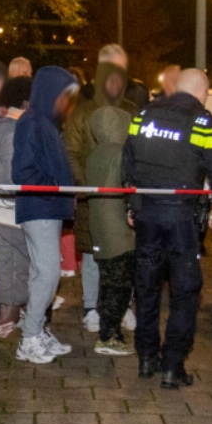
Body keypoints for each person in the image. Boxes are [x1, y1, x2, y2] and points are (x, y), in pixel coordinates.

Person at [122, 68, 212, 389]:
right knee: (185, 293)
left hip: (146, 216)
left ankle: (145, 357)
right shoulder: (201, 122)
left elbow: (126, 162)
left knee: (146, 287)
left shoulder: (143, 116)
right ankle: (172, 365)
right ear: (202, 93)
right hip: (182, 221)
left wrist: (131, 204)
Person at [65, 44, 137, 335]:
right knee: (95, 255)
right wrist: (88, 189)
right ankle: (91, 307)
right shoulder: (82, 111)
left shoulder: (133, 110)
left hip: (125, 200)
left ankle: (122, 306)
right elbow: (70, 151)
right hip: (93, 199)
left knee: (125, 254)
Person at [12, 66, 81, 364]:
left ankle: (36, 331)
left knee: (44, 272)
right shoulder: (33, 122)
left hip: (47, 207)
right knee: (48, 272)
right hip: (39, 206)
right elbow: (22, 172)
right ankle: (29, 338)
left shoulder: (44, 122)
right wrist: (55, 187)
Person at [84, 101, 137, 356]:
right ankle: (109, 335)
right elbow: (127, 186)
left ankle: (107, 329)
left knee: (107, 281)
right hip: (116, 227)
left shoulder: (97, 152)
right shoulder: (119, 153)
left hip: (100, 224)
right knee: (120, 283)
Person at [0, 76, 32, 338]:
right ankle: (8, 318)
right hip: (12, 202)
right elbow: (17, 173)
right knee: (13, 261)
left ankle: (10, 313)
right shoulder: (13, 130)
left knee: (6, 259)